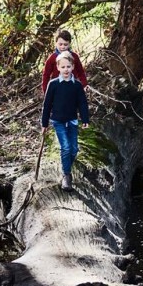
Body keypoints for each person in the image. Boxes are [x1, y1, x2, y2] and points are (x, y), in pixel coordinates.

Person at [41, 51, 90, 191]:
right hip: (58, 121)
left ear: (73, 67)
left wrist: (85, 119)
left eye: (68, 66)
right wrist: (44, 123)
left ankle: (66, 166)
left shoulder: (77, 85)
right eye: (63, 67)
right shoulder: (54, 84)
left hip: (72, 121)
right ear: (58, 68)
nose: (66, 70)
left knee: (74, 149)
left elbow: (82, 103)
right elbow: (47, 104)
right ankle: (66, 175)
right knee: (66, 147)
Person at [42, 29, 88, 93]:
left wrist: (84, 85)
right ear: (56, 43)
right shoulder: (52, 58)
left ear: (69, 44)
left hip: (72, 87)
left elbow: (80, 72)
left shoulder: (74, 57)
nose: (63, 47)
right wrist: (46, 90)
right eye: (60, 44)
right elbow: (46, 75)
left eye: (65, 44)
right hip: (57, 88)